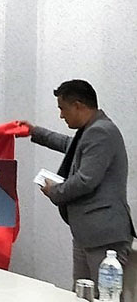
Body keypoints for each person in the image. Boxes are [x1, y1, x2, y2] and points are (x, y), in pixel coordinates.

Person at [23, 79, 135, 287]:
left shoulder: (101, 131)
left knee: (103, 297)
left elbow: (85, 181)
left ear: (77, 105)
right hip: (89, 234)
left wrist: (54, 191)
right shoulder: (91, 129)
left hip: (104, 237)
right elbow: (70, 145)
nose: (61, 115)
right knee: (81, 295)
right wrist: (35, 132)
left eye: (62, 108)